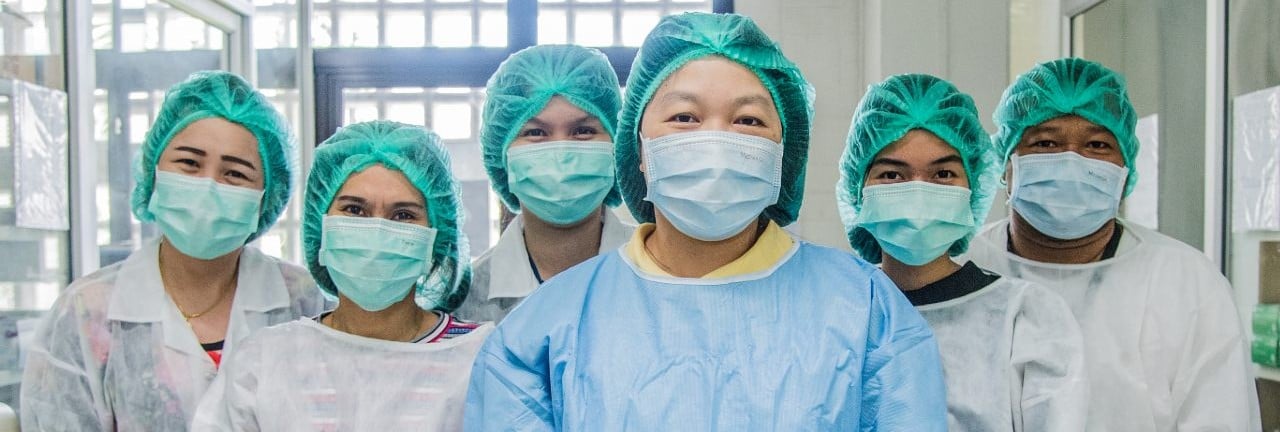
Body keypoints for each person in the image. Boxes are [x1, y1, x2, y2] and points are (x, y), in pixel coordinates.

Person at [464, 13, 946, 431]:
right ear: (638, 151)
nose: (716, 140)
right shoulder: (541, 333)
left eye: (749, 122)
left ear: (785, 154)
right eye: (684, 118)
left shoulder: (868, 314)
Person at [20, 71, 328, 430]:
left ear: (268, 197)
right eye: (189, 164)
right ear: (154, 172)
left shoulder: (303, 303)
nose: (209, 185)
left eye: (235, 174)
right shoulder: (88, 313)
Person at [965, 58, 1261, 431]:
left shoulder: (1185, 283)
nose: (1071, 158)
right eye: (1045, 142)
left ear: (1126, 170)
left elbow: (1222, 418)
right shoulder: (962, 270)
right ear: (1006, 165)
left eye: (1097, 144)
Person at [192, 121, 493, 430]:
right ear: (319, 227)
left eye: (403, 215)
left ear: (436, 238)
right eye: (354, 210)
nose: (376, 229)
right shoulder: (262, 363)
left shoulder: (481, 359)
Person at [837, 73, 1088, 431]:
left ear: (973, 187)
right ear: (857, 190)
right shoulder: (836, 313)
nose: (919, 191)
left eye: (943, 174)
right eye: (893, 175)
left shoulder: (1025, 318)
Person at [458, 44, 633, 322]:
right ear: (502, 156)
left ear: (616, 146)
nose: (561, 152)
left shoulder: (663, 270)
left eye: (583, 131)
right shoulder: (465, 302)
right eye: (536, 132)